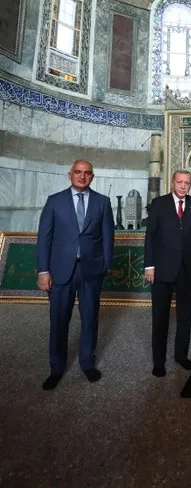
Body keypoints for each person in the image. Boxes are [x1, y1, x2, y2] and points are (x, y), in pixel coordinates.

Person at [36, 159, 115, 390]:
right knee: (59, 320)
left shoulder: (103, 202)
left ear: (93, 176)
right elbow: (44, 239)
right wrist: (43, 270)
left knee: (90, 318)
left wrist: (106, 265)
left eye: (87, 173)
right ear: (69, 174)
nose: (82, 176)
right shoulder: (54, 201)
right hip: (60, 271)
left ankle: (87, 363)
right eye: (78, 172)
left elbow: (108, 236)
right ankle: (57, 368)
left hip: (91, 270)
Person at [144, 170, 191, 377]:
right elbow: (150, 236)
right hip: (161, 269)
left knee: (185, 316)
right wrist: (149, 266)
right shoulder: (159, 204)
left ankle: (181, 356)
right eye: (179, 182)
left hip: (187, 268)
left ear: (190, 185)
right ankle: (158, 362)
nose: (183, 186)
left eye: (187, 183)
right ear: (172, 183)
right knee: (160, 317)